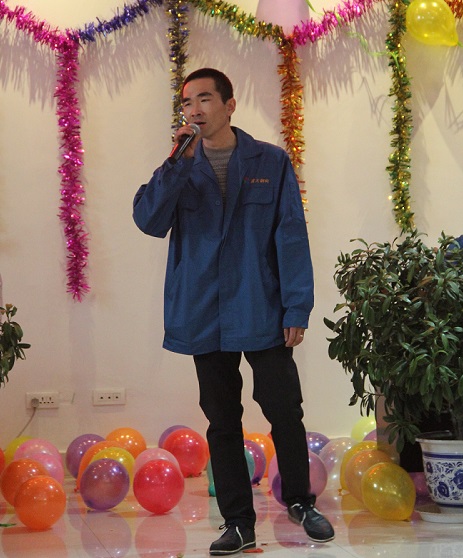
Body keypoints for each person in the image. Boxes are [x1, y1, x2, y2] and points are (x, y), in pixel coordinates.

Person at [133, 68, 334, 555]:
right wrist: (175, 164)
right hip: (205, 311)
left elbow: (291, 234)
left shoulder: (270, 161)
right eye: (187, 103)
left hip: (261, 305)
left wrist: (297, 305)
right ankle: (239, 523)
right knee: (222, 419)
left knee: (283, 408)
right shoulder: (180, 166)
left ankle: (301, 501)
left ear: (229, 105)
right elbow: (148, 220)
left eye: (204, 99)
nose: (195, 109)